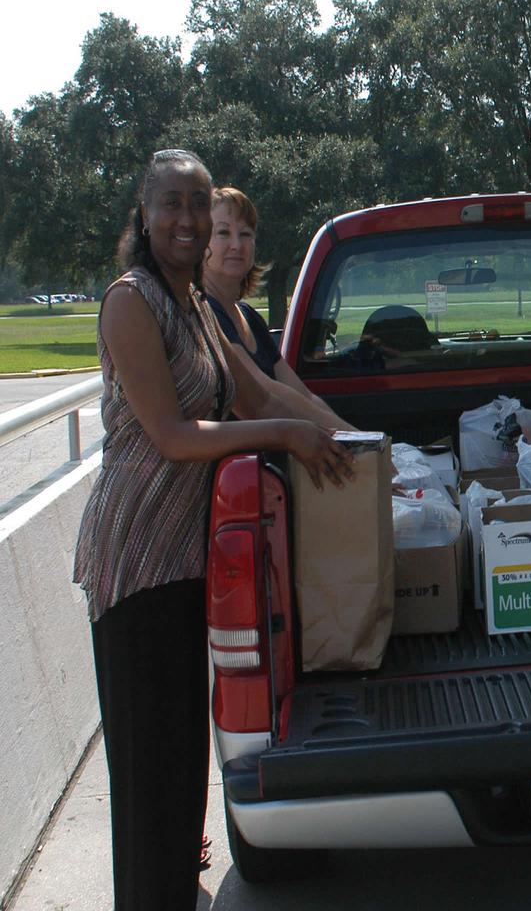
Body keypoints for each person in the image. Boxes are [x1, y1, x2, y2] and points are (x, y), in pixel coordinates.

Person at [73, 149, 355, 910]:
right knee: (146, 773)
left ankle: (172, 892)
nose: (191, 221)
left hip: (185, 560)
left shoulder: (195, 302)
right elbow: (170, 433)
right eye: (173, 204)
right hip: (135, 560)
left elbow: (260, 387)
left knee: (178, 761)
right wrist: (280, 439)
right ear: (144, 211)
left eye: (200, 205)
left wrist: (353, 446)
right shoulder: (131, 301)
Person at [204, 186, 349, 428]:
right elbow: (265, 390)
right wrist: (347, 440)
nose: (236, 245)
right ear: (200, 244)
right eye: (223, 233)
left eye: (245, 234)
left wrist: (357, 439)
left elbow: (303, 395)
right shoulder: (206, 312)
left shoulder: (249, 316)